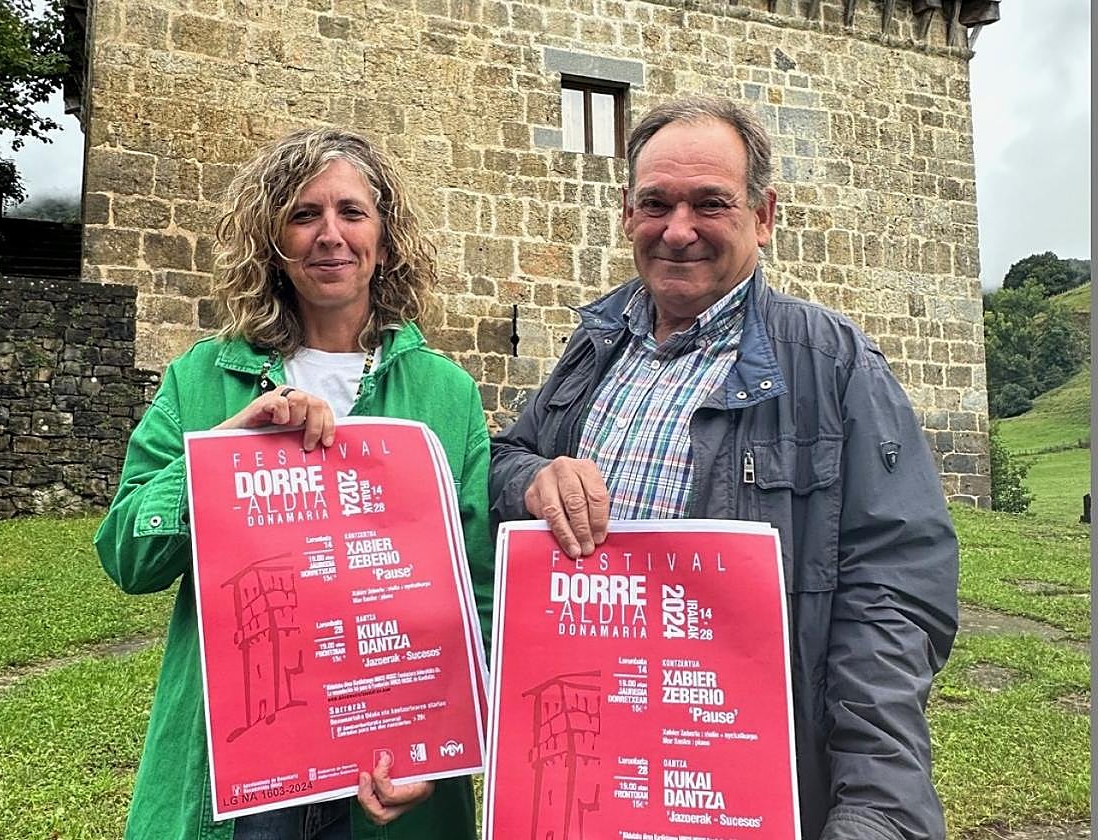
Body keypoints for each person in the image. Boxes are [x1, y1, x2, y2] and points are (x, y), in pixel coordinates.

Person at [489, 96, 958, 840]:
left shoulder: (831, 363)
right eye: (656, 204)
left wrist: (876, 808)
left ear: (762, 216)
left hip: (739, 782)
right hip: (590, 764)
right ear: (627, 214)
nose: (678, 230)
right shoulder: (596, 345)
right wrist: (531, 480)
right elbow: (508, 458)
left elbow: (893, 597)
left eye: (710, 203)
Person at [96, 127, 493, 840]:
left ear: (385, 239)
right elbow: (129, 557)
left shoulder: (447, 394)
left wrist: (445, 747)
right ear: (273, 241)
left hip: (387, 759)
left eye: (352, 212)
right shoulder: (203, 377)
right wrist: (221, 453)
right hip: (247, 766)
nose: (329, 235)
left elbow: (480, 592)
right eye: (304, 215)